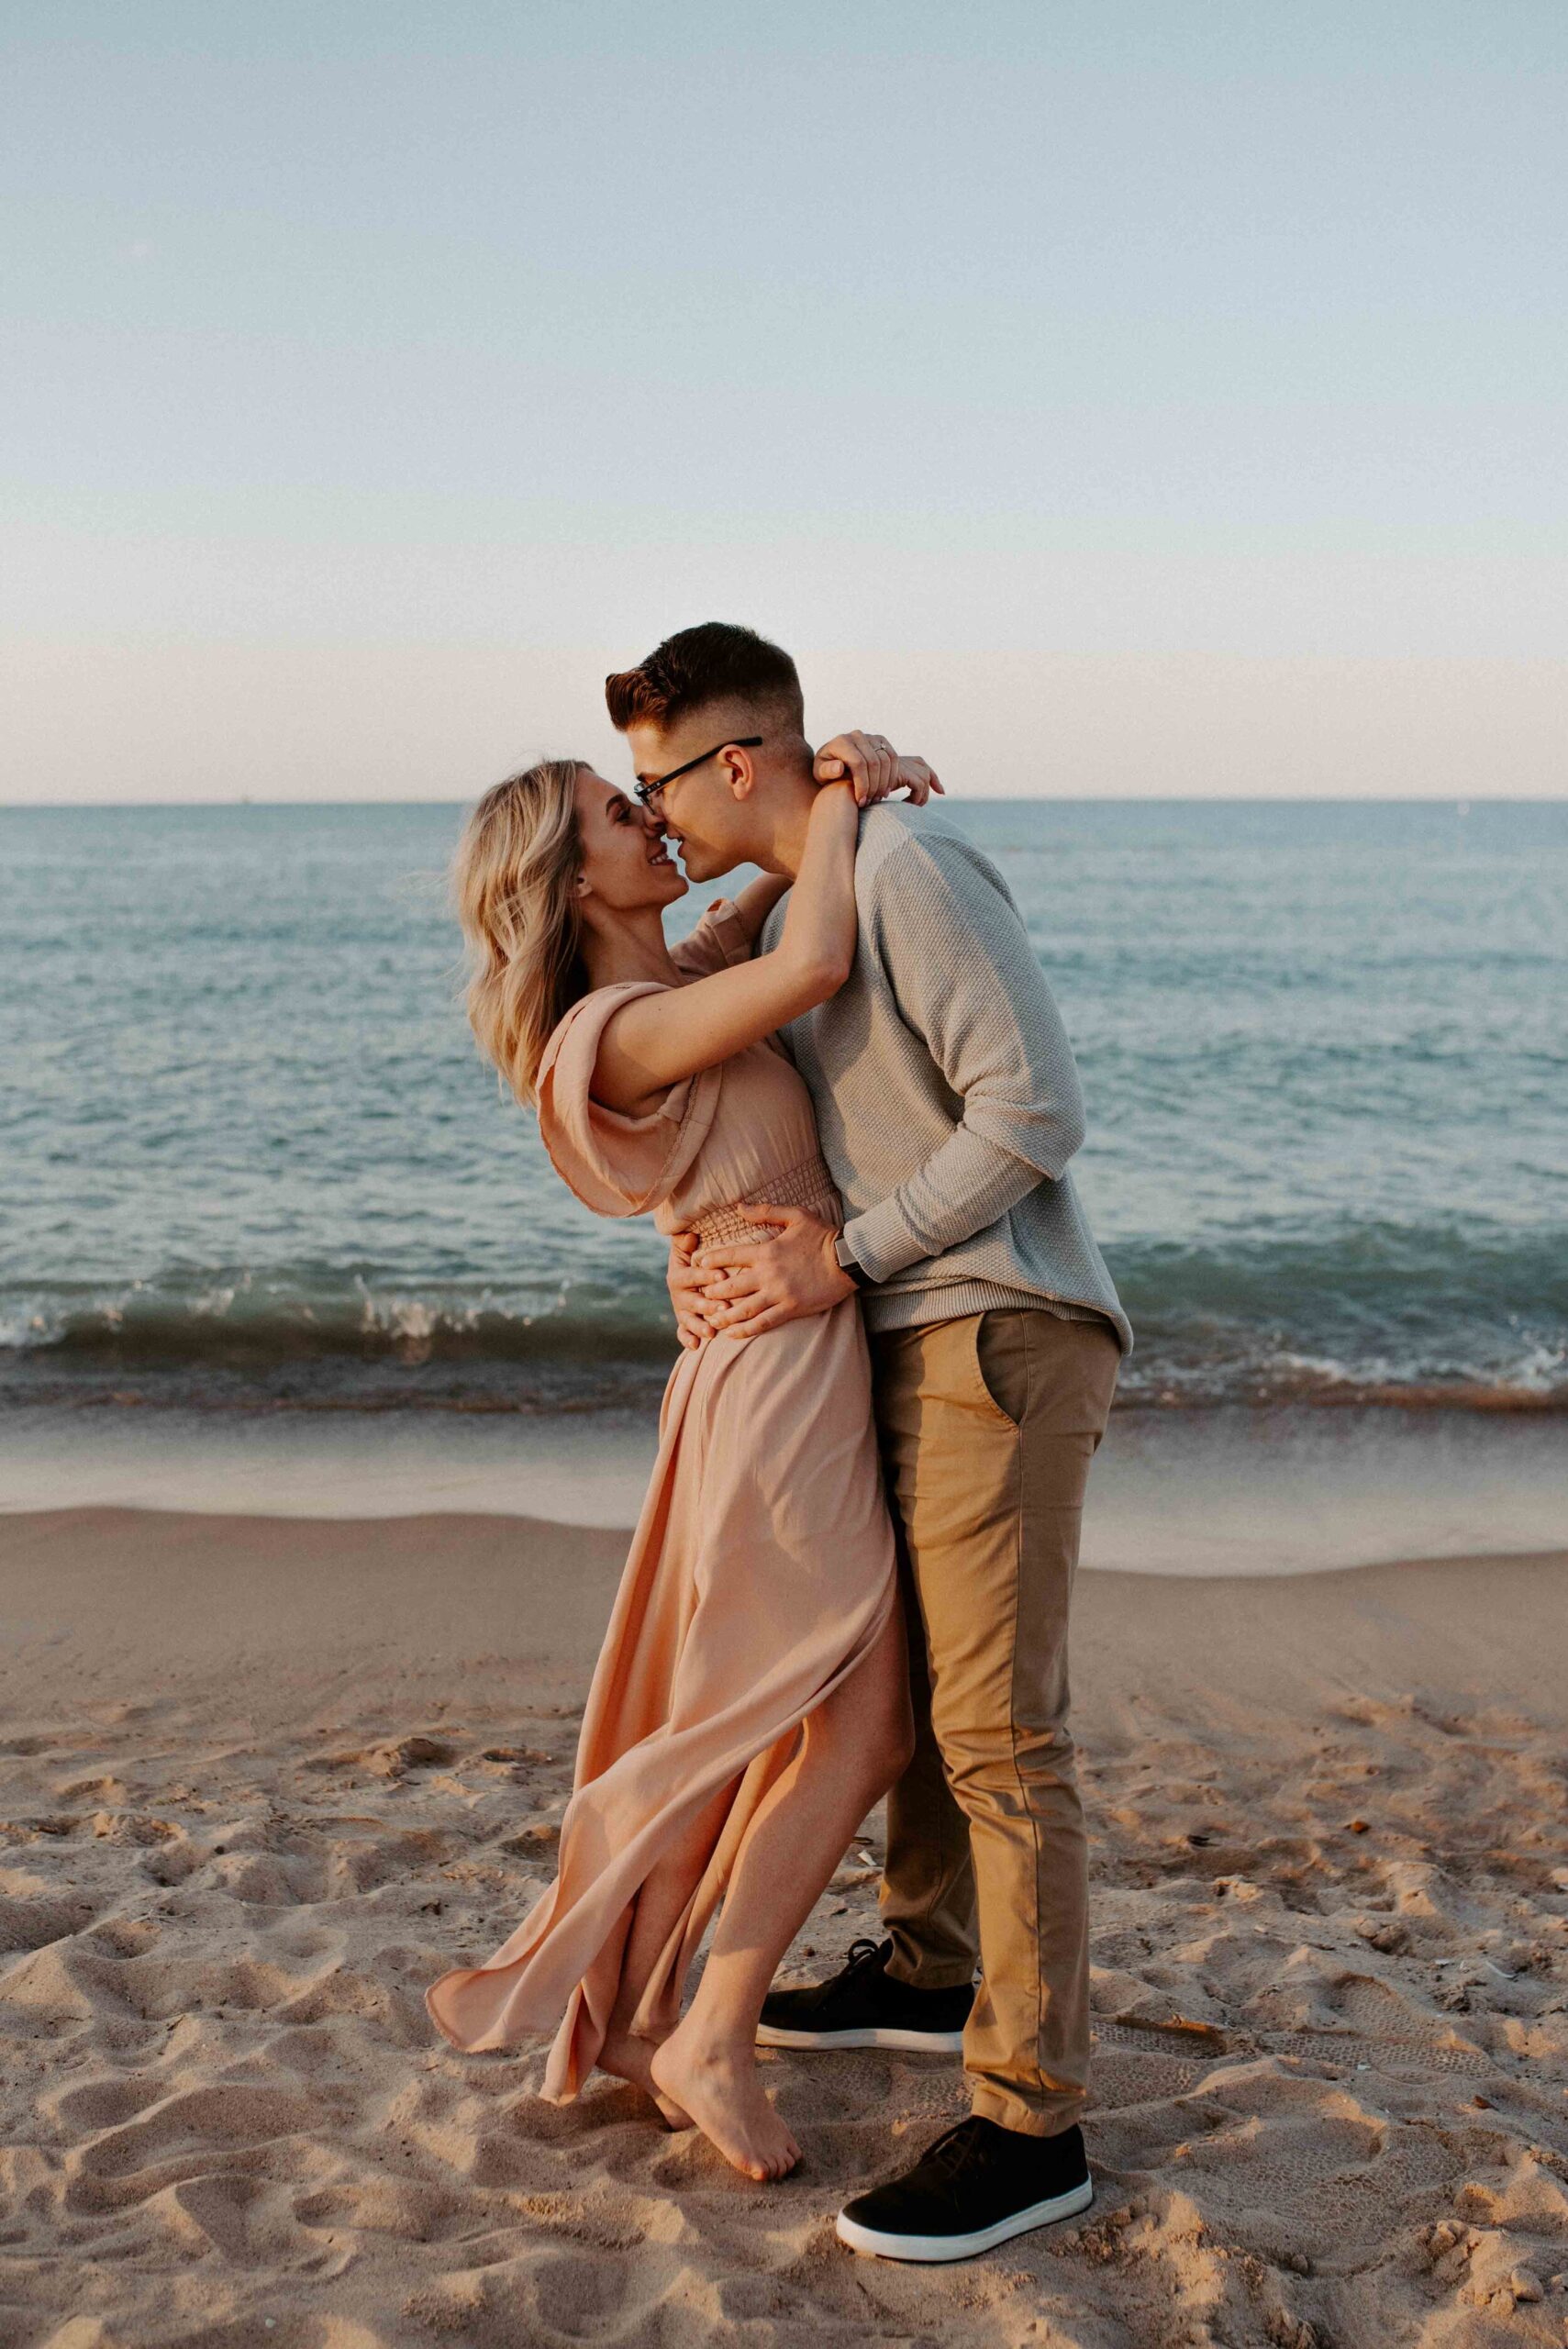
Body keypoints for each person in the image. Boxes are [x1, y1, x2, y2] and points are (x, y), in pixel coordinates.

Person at [610, 622, 1132, 2264]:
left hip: (997, 1327)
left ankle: (1031, 2126)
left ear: (738, 761)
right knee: (901, 1693)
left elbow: (1031, 1113)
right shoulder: (830, 880)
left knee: (996, 1736)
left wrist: (837, 1257)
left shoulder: (907, 868)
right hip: (906, 1337)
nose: (660, 820)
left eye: (660, 785)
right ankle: (925, 1967)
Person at [426, 729, 940, 2184]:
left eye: (647, 793)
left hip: (781, 1360)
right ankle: (709, 2026)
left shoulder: (672, 980)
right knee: (855, 1722)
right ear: (569, 878)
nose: (649, 817)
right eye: (614, 812)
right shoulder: (624, 1028)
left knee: (817, 1717)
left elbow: (761, 910)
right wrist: (839, 799)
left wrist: (819, 775)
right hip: (772, 1381)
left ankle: (678, 2021)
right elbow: (818, 957)